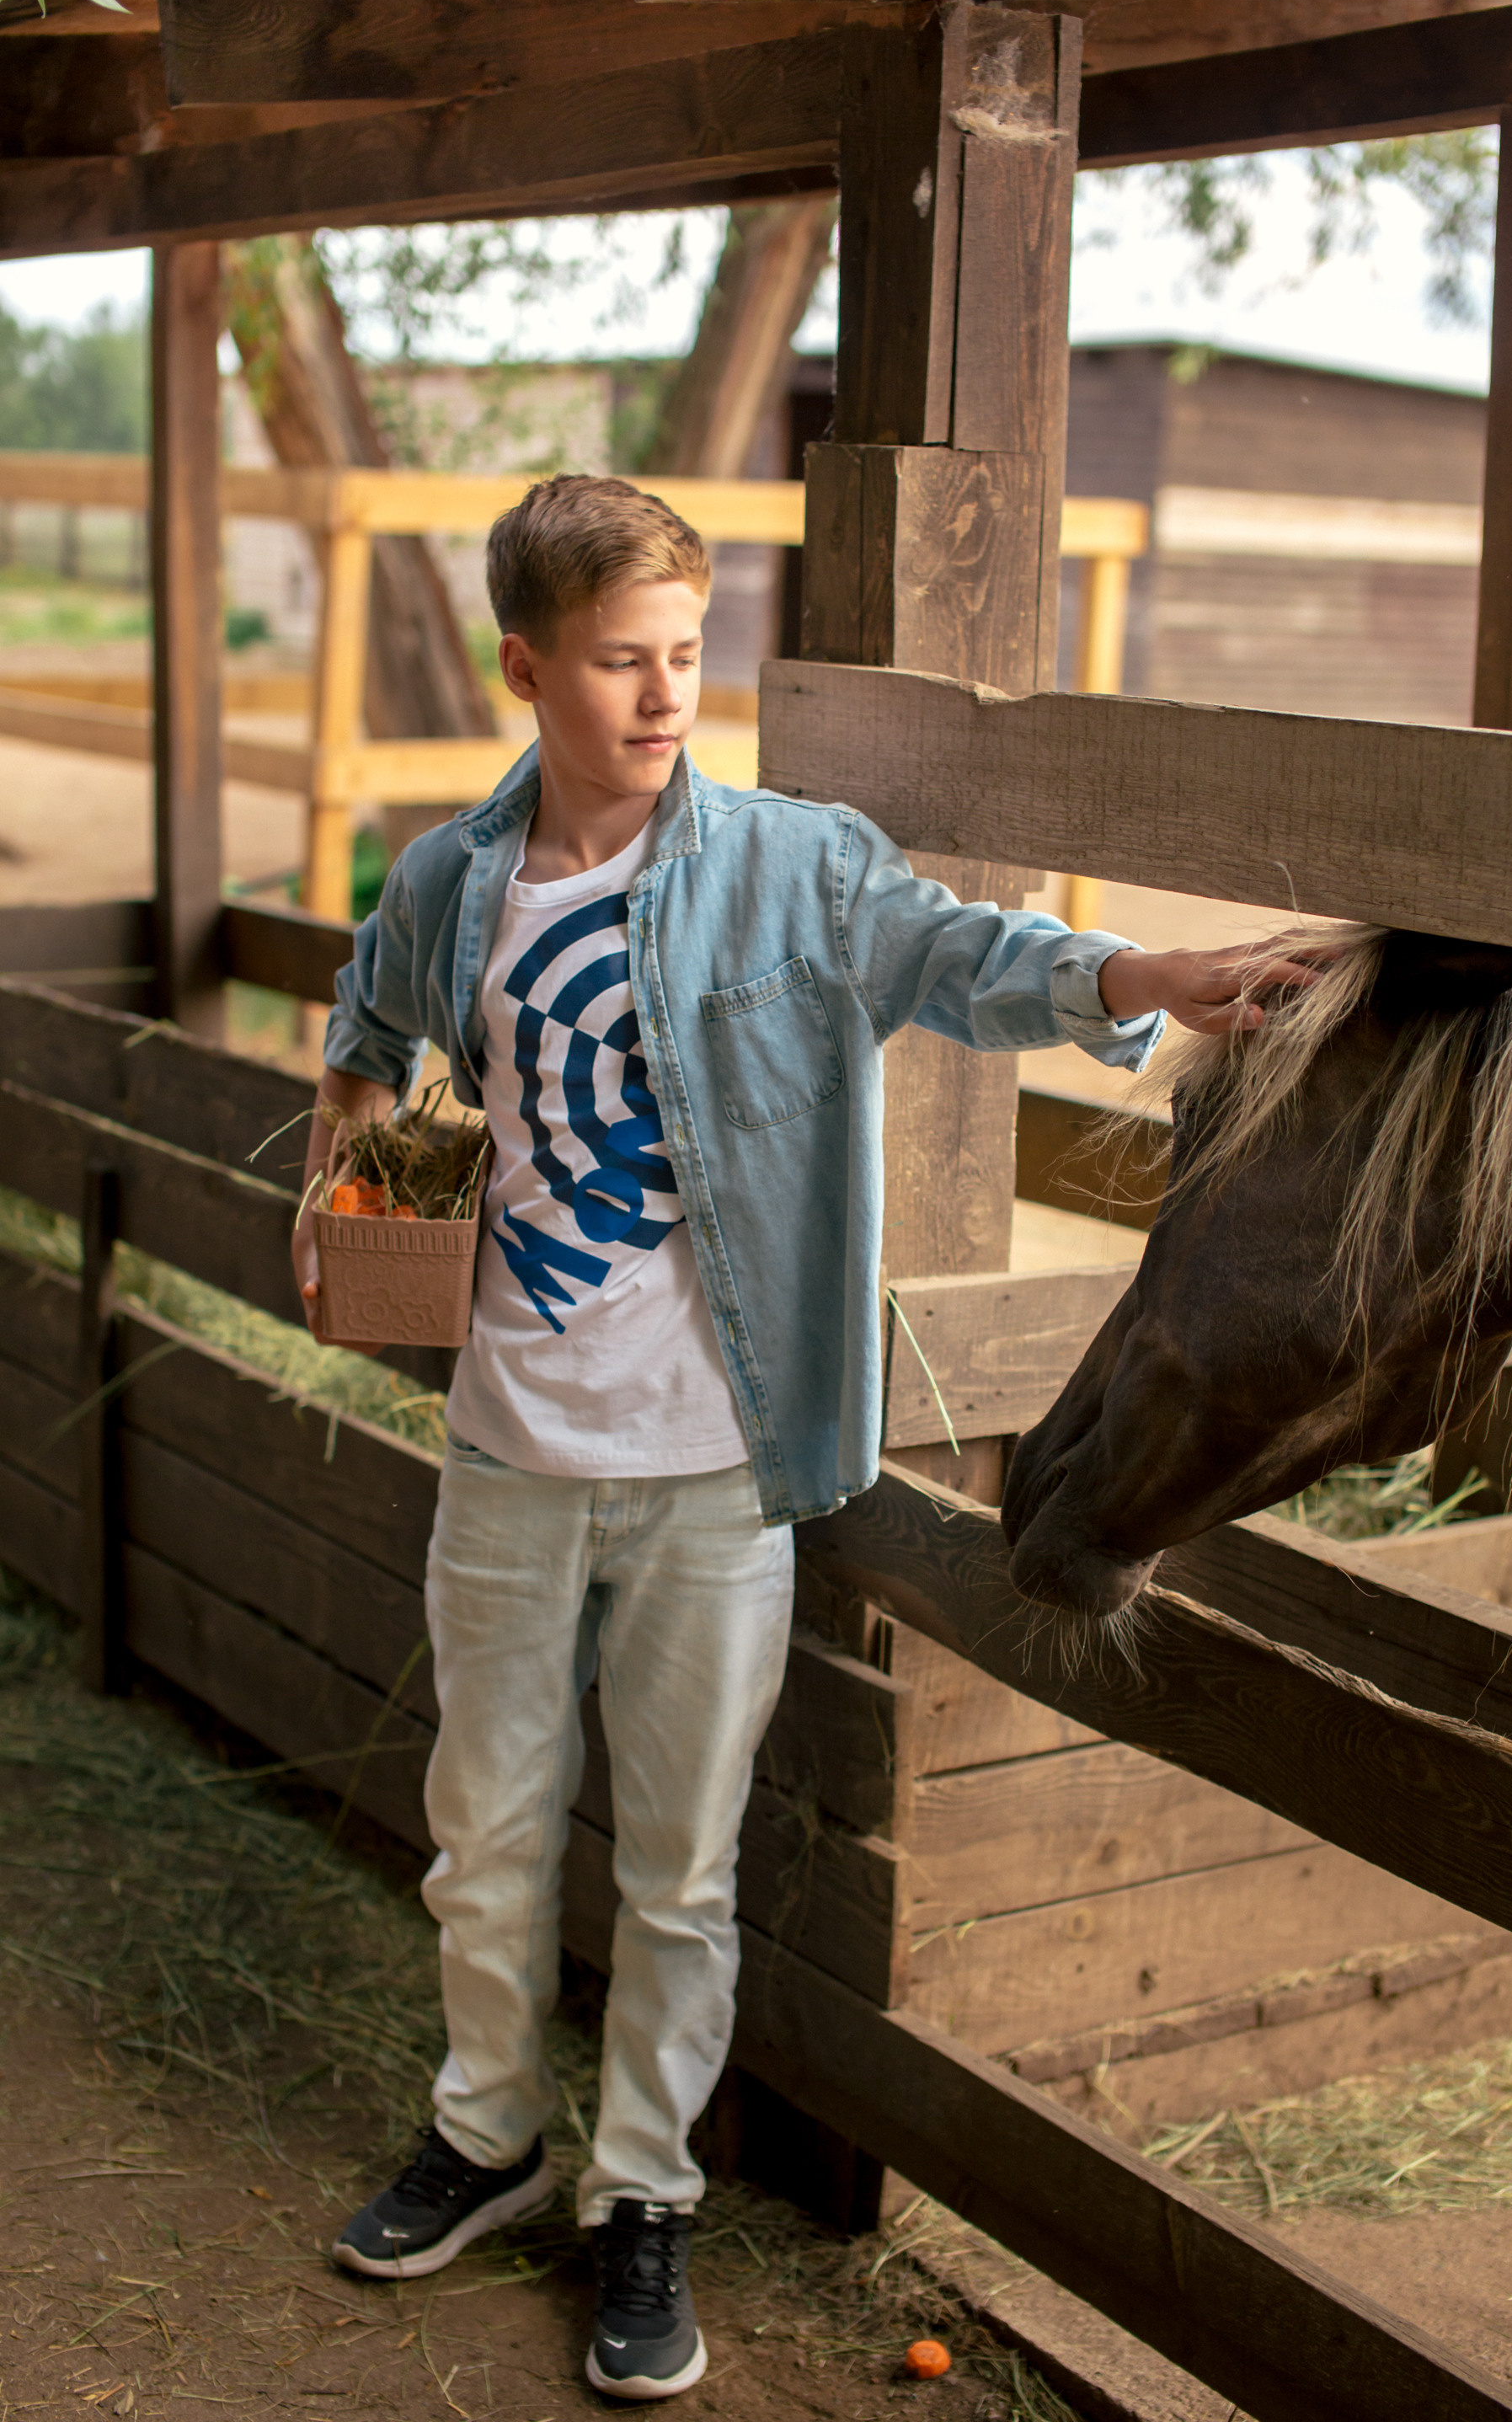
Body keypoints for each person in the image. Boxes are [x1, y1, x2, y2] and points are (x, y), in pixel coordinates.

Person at [291, 473, 1323, 2402]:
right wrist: (348, 1175)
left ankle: (644, 2196)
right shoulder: (451, 884)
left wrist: (1147, 980)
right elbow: (365, 1029)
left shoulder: (795, 868)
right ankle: (486, 2135)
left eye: (686, 653)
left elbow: (970, 955)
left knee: (678, 1872)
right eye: (620, 660)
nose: (663, 694)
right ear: (525, 668)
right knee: (482, 1838)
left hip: (711, 1473)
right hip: (506, 1450)